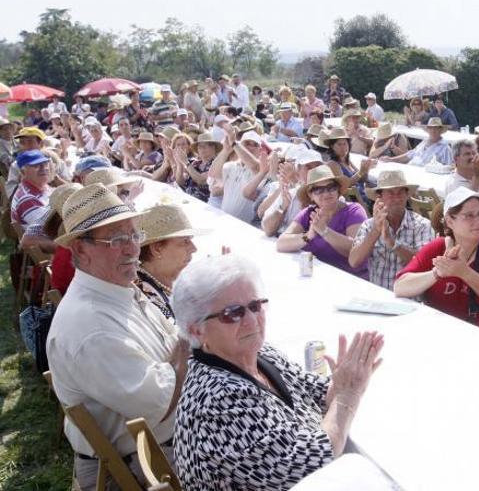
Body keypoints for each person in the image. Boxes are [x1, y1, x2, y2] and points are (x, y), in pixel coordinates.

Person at [172, 254, 384, 489]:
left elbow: (318, 391)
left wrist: (347, 380)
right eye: (232, 313)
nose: (252, 320)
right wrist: (347, 396)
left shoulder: (260, 354)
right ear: (197, 330)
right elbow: (311, 464)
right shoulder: (218, 400)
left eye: (254, 306)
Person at [46, 184, 188, 489]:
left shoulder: (116, 289)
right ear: (80, 249)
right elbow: (159, 402)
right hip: (146, 463)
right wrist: (192, 334)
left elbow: (170, 347)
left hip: (157, 444)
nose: (132, 248)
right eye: (116, 239)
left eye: (134, 235)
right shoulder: (91, 326)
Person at [394, 187, 479, 331]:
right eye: (469, 216)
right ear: (450, 221)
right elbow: (400, 287)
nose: (478, 221)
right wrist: (437, 273)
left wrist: (464, 272)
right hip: (442, 333)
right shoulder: (438, 247)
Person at [277, 165, 368, 279]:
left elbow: (356, 251)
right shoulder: (309, 213)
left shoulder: (353, 211)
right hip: (318, 279)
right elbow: (281, 243)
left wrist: (324, 231)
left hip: (350, 280)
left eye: (331, 187)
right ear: (311, 195)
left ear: (338, 190)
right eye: (318, 190)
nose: (326, 194)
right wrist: (308, 236)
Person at [350, 170, 434, 290]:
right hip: (378, 295)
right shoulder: (369, 225)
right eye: (390, 193)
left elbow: (425, 264)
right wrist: (375, 231)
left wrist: (392, 242)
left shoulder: (421, 225)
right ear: (380, 197)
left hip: (411, 298)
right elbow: (354, 261)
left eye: (400, 192)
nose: (396, 197)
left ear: (407, 195)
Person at [135, 204, 206, 318]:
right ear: (157, 249)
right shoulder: (146, 299)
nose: (194, 249)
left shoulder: (164, 283)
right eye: (185, 241)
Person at [260, 148, 324, 237]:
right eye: (308, 167)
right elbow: (268, 229)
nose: (313, 171)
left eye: (317, 167)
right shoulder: (289, 194)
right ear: (298, 171)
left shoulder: (332, 197)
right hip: (282, 244)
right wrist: (283, 208)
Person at [320, 127, 372, 203]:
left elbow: (362, 179)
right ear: (332, 146)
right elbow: (344, 185)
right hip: (355, 202)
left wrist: (366, 169)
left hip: (364, 197)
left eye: (345, 144)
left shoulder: (348, 161)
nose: (343, 147)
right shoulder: (332, 164)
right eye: (339, 144)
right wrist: (360, 172)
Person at [381, 117, 453, 166]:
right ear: (427, 130)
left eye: (436, 128)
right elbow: (409, 155)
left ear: (440, 130)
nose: (433, 130)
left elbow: (449, 168)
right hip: (412, 170)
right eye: (431, 128)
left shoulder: (445, 148)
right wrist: (390, 159)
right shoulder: (424, 142)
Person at [10, 150, 53, 228]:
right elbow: (50, 228)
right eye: (36, 165)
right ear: (23, 172)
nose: (44, 168)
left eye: (45, 164)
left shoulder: (43, 186)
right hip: (46, 238)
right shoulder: (27, 199)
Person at [174, 132, 218, 202]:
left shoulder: (217, 163)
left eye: (204, 146)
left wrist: (186, 162)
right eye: (199, 146)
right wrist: (180, 163)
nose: (201, 149)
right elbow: (180, 182)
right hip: (187, 200)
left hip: (203, 205)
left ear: (213, 147)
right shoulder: (195, 163)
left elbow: (201, 180)